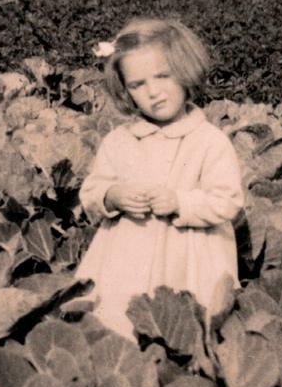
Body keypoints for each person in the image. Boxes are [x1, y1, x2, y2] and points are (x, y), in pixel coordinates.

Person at [77, 17, 244, 339]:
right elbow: (92, 191)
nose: (153, 92)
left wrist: (181, 202)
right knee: (116, 322)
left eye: (163, 76)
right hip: (127, 254)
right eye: (138, 85)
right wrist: (112, 195)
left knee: (186, 328)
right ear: (125, 91)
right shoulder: (119, 140)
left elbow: (227, 201)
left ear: (185, 71)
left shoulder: (210, 141)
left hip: (192, 257)